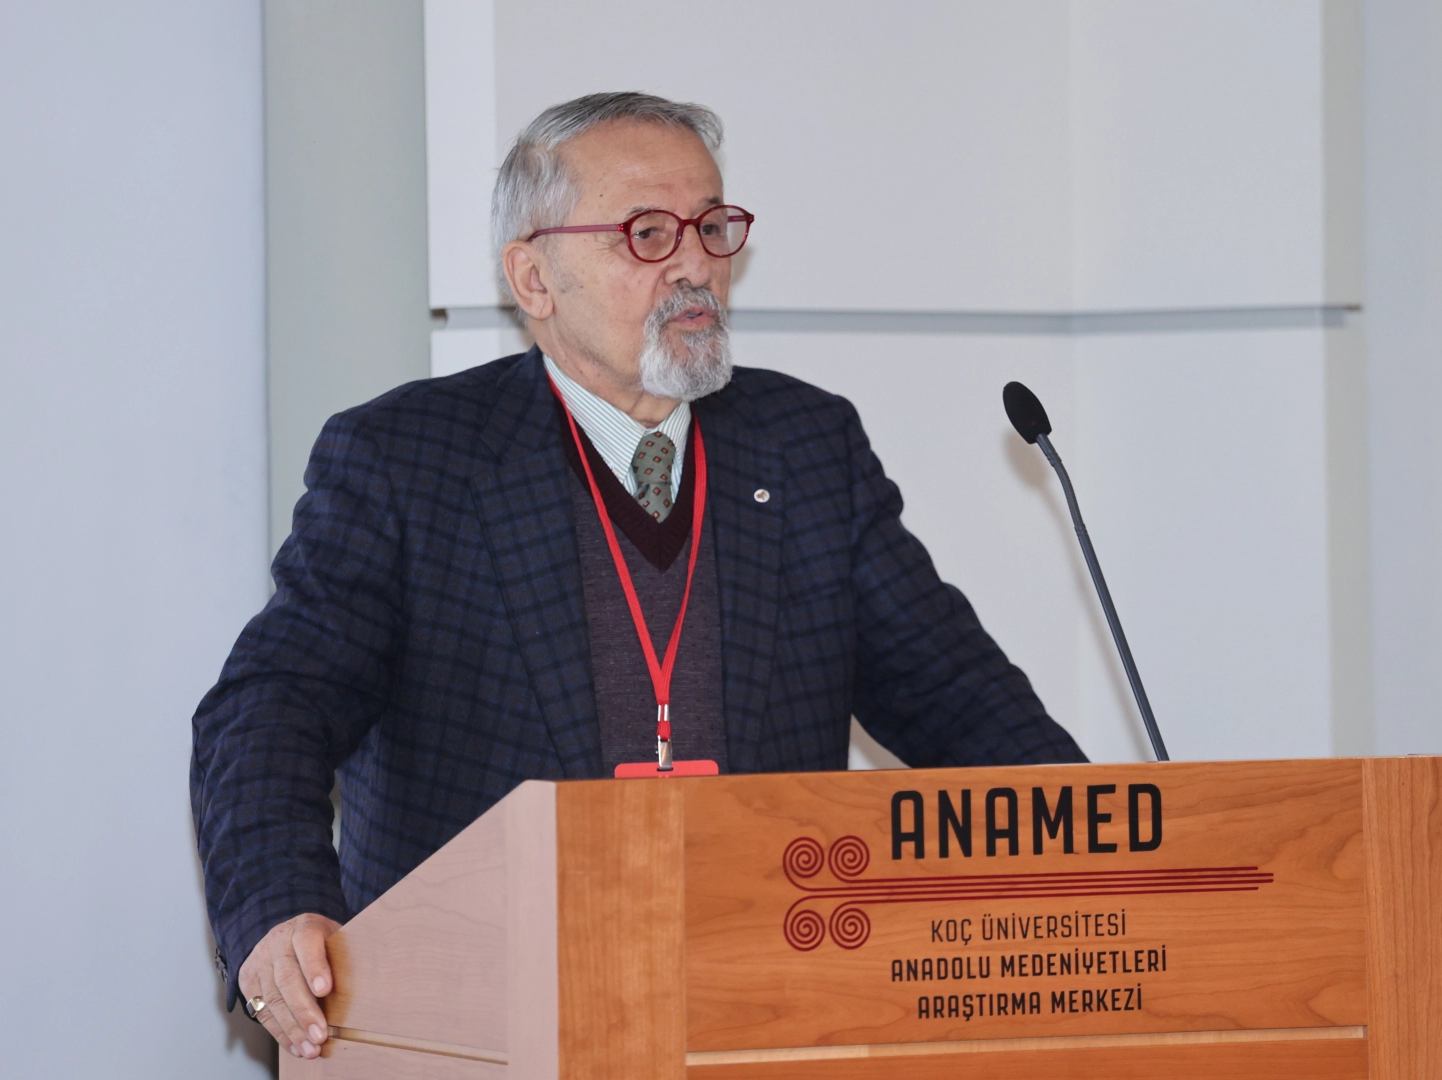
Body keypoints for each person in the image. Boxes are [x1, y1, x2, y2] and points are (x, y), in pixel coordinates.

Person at [191, 91, 1085, 1059]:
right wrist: (277, 907)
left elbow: (960, 703)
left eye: (712, 226)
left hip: (763, 1012)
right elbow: (271, 706)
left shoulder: (805, 447)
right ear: (534, 277)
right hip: (485, 1025)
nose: (695, 264)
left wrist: (1112, 861)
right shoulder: (409, 460)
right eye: (647, 234)